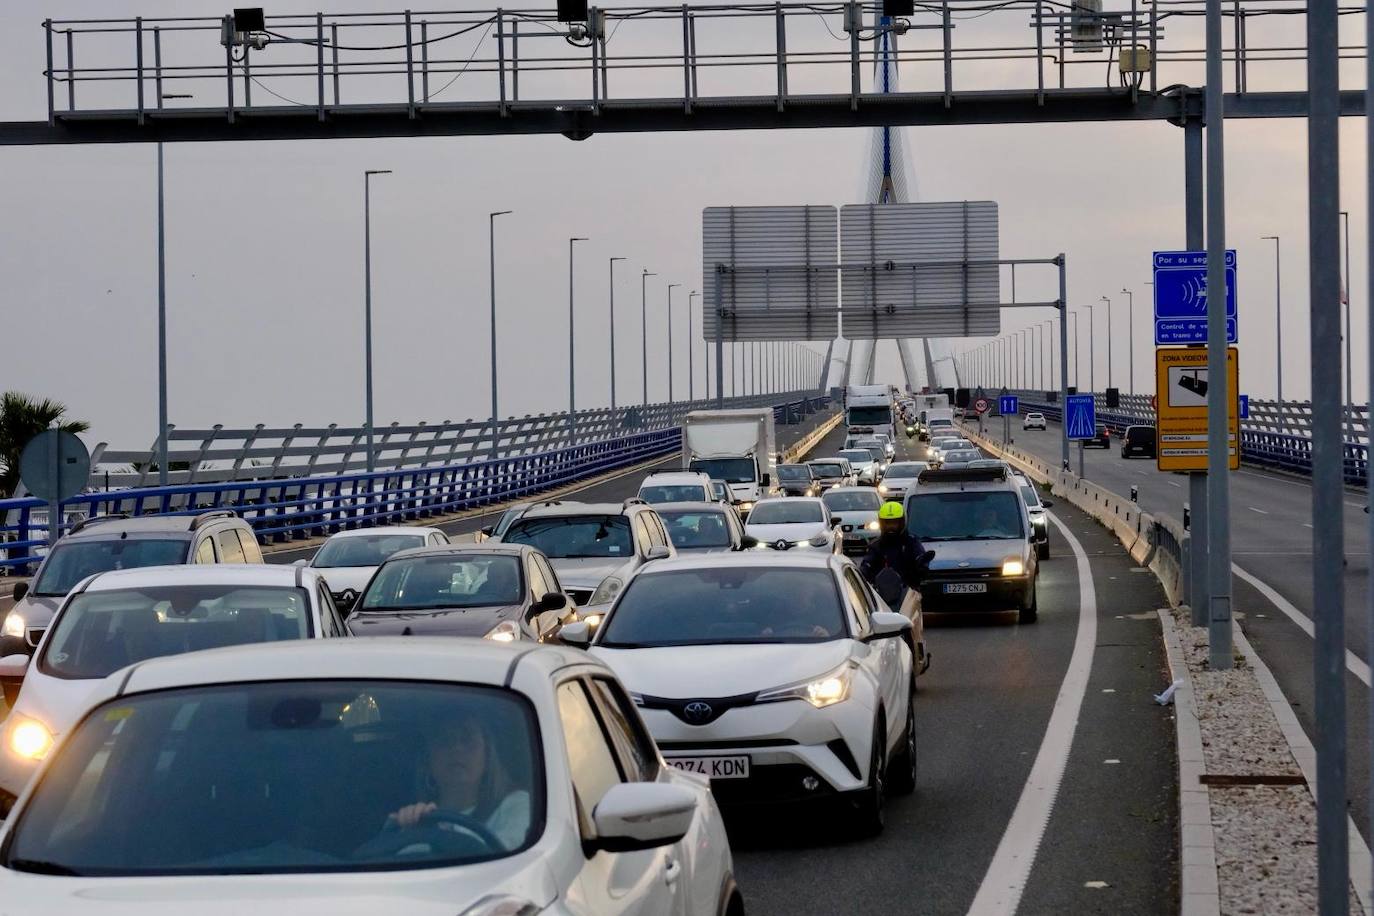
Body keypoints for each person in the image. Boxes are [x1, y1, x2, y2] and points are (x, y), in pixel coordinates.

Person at [388, 709, 530, 850]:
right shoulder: (414, 821)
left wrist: (435, 836)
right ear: (428, 762)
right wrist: (410, 832)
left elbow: (506, 855)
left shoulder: (516, 805)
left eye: (467, 739)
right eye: (444, 740)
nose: (456, 748)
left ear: (487, 756)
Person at [859, 502, 933, 619]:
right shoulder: (876, 545)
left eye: (894, 523)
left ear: (902, 522)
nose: (891, 527)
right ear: (882, 523)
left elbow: (920, 556)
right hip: (882, 594)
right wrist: (862, 572)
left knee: (914, 619)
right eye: (887, 523)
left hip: (908, 591)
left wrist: (922, 565)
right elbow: (867, 562)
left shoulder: (911, 542)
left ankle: (916, 637)